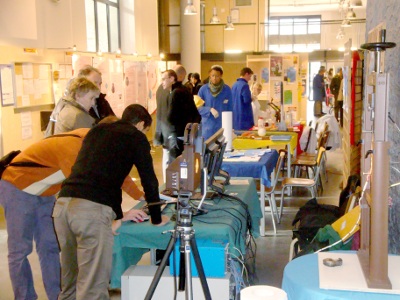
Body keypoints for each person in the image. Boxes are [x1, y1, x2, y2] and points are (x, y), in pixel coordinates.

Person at [0, 117, 146, 300]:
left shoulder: (97, 143)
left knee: (50, 246)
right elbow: (86, 191)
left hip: (44, 193)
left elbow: (118, 174)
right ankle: (24, 297)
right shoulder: (76, 145)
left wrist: (141, 196)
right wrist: (118, 216)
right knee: (19, 250)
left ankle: (57, 295)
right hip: (16, 186)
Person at [53, 104, 169, 300]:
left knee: (70, 286)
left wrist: (118, 217)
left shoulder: (97, 131)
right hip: (90, 211)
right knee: (92, 288)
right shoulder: (136, 137)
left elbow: (103, 173)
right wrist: (156, 218)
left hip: (63, 205)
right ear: (141, 124)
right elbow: (149, 179)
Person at [165, 69, 201, 162]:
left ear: (172, 79)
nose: (162, 82)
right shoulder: (185, 89)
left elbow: (170, 117)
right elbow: (195, 114)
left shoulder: (175, 93)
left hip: (177, 135)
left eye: (164, 79)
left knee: (174, 166)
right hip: (187, 134)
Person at [198, 65, 232, 140]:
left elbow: (231, 108)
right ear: (209, 75)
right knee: (207, 148)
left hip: (222, 125)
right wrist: (209, 109)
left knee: (222, 148)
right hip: (207, 126)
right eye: (213, 76)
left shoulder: (226, 90)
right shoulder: (203, 89)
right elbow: (197, 107)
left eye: (217, 76)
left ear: (221, 76)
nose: (214, 78)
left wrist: (231, 126)